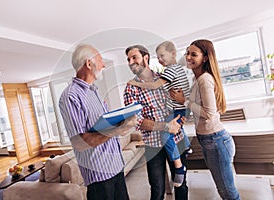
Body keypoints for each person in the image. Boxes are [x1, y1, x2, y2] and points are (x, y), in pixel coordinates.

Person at [59, 44, 137, 200]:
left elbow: (103, 126)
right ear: (89, 64)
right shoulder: (70, 96)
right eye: (100, 60)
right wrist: (118, 130)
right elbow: (80, 142)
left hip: (116, 166)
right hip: (99, 174)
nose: (104, 64)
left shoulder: (94, 91)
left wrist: (122, 121)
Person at [170, 39, 240, 200]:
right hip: (209, 140)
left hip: (216, 140)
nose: (188, 57)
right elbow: (197, 109)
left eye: (194, 54)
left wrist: (184, 101)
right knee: (223, 190)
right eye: (187, 53)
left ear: (205, 58)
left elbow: (209, 113)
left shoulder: (205, 79)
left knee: (227, 192)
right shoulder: (198, 79)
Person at [123, 44, 188, 200]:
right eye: (128, 59)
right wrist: (165, 126)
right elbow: (136, 121)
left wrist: (181, 117)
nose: (131, 62)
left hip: (176, 138)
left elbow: (180, 101)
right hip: (153, 145)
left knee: (181, 184)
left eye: (134, 57)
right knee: (157, 189)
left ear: (146, 58)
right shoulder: (131, 88)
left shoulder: (164, 78)